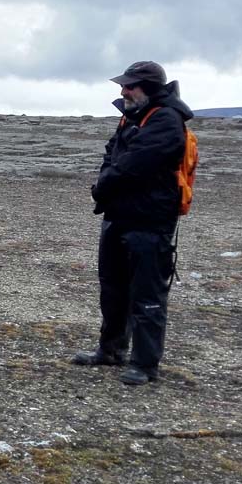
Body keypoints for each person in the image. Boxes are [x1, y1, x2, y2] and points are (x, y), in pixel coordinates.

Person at [74, 61, 194, 385]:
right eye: (123, 86)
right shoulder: (131, 116)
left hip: (150, 220)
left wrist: (103, 185)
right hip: (119, 215)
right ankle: (111, 350)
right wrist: (105, 181)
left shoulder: (166, 120)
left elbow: (135, 163)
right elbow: (112, 153)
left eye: (130, 86)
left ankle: (144, 364)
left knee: (147, 293)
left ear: (150, 88)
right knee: (113, 288)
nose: (124, 91)